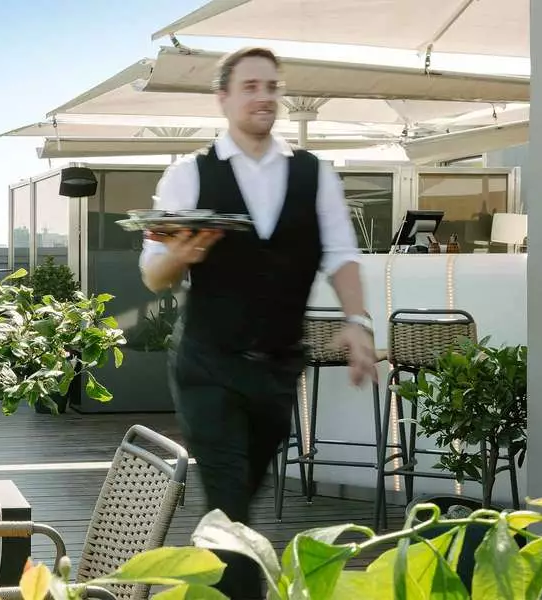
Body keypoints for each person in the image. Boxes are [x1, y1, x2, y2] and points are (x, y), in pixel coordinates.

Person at [139, 46, 377, 598]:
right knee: (227, 499)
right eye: (250, 86)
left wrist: (357, 320)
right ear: (223, 97)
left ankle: (208, 587)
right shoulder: (189, 175)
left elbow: (340, 253)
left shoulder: (314, 175)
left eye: (271, 86)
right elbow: (154, 275)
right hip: (208, 364)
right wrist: (184, 255)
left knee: (242, 497)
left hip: (276, 368)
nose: (264, 97)